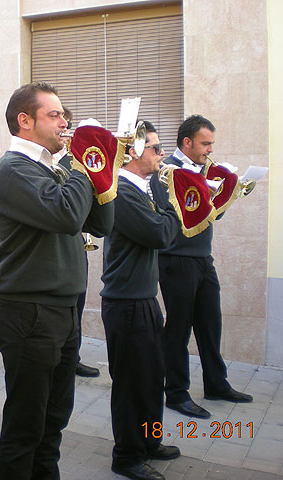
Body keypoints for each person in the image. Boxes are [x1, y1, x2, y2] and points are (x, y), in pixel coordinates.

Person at [0, 82, 114, 480]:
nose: (65, 122)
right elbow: (66, 216)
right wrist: (81, 161)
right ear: (25, 121)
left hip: (61, 309)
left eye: (65, 115)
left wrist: (101, 168)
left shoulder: (51, 168)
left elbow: (100, 223)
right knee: (26, 427)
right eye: (55, 115)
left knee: (53, 421)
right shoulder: (12, 169)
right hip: (28, 312)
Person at [149, 115, 253, 419]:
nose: (210, 149)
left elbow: (211, 215)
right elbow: (168, 212)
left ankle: (216, 384)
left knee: (210, 322)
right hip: (175, 258)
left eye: (211, 144)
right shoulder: (166, 170)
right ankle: (176, 393)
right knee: (179, 327)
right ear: (187, 142)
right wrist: (201, 195)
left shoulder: (206, 170)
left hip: (202, 257)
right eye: (205, 143)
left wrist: (226, 193)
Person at [101, 121, 181, 480]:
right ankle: (127, 456)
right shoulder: (123, 191)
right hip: (126, 303)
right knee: (132, 384)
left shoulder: (142, 189)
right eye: (155, 148)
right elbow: (160, 234)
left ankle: (149, 441)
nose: (162, 155)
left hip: (142, 299)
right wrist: (178, 201)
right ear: (134, 152)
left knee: (151, 378)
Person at [57, 113, 100, 378]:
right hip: (65, 244)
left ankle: (73, 356)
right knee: (68, 308)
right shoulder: (63, 163)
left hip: (79, 243)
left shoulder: (86, 162)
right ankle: (64, 359)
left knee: (79, 306)